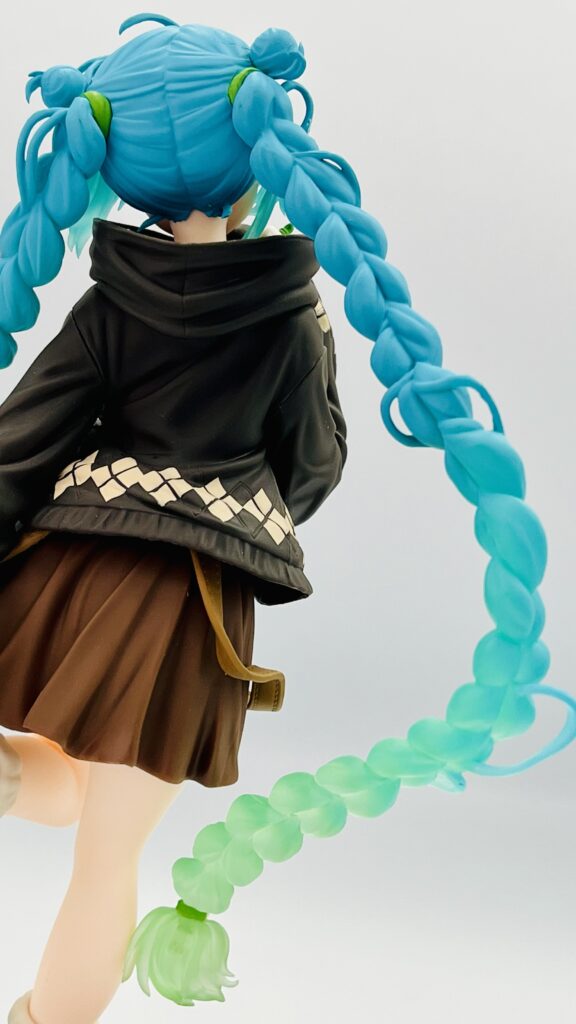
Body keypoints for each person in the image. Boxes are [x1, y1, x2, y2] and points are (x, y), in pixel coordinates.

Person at [0, 15, 348, 1023]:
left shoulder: (110, 303)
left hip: (77, 566)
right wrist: (238, 506)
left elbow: (18, 445)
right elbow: (314, 469)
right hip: (187, 604)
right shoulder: (290, 316)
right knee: (109, 855)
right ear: (254, 161)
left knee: (71, 784)